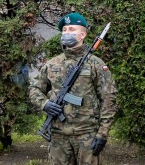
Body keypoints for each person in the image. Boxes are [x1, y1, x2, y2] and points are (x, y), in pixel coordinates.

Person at [29, 12, 117, 165]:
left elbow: (109, 99)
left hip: (87, 135)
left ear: (83, 34)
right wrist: (45, 104)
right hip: (58, 136)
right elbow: (34, 89)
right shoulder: (52, 64)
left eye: (71, 29)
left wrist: (102, 134)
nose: (67, 33)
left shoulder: (95, 64)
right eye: (64, 30)